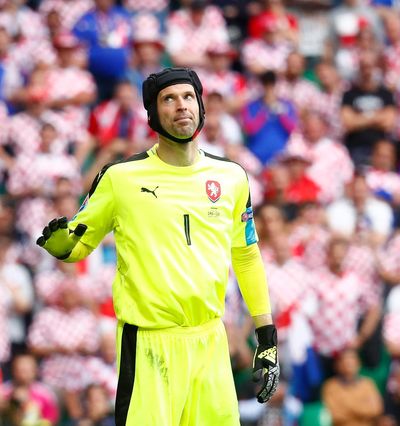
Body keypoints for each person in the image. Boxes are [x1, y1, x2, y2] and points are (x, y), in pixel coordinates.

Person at [35, 68, 279, 425]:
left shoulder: (232, 178)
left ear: (201, 106)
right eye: (169, 99)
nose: (181, 106)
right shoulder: (120, 178)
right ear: (152, 114)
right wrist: (60, 245)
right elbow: (76, 246)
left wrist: (266, 336)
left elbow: (246, 255)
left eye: (188, 97)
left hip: (210, 340)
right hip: (148, 344)